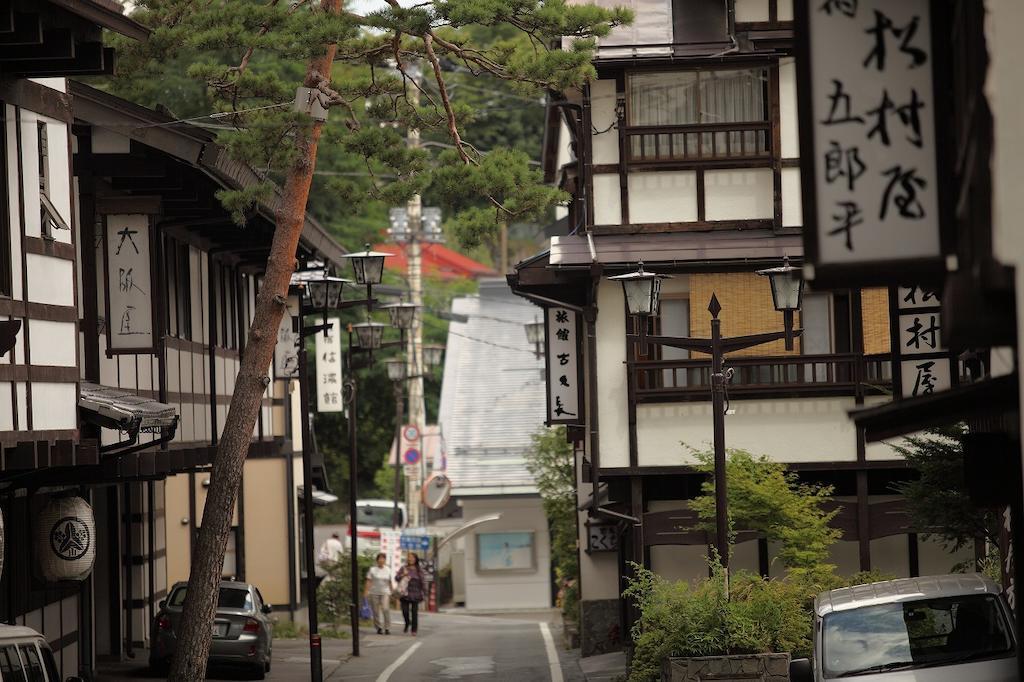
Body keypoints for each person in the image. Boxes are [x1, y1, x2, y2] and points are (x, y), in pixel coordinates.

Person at [395, 552, 425, 636]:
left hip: (416, 593)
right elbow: (396, 578)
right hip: (405, 592)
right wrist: (403, 574)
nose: (411, 559)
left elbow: (423, 582)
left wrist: (424, 593)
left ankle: (414, 629)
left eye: (412, 557)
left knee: (414, 612)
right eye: (409, 557)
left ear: (416, 559)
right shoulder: (404, 568)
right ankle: (407, 622)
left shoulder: (419, 569)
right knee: (405, 611)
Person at [364, 552, 394, 635]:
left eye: (383, 559)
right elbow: (368, 581)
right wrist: (366, 591)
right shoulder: (372, 569)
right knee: (375, 611)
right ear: (377, 560)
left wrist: (392, 592)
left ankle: (387, 628)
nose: (381, 560)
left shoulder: (388, 569)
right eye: (380, 558)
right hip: (374, 592)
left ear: (385, 560)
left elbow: (390, 582)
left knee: (385, 609)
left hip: (385, 592)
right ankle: (379, 627)